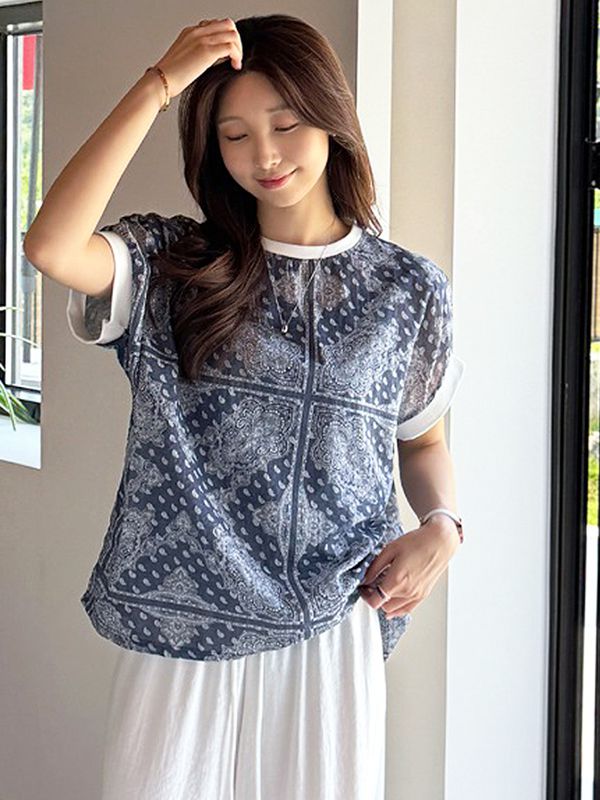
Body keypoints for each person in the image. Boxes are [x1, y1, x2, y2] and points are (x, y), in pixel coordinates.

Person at [24, 13, 466, 800]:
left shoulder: (407, 290)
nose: (264, 155)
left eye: (286, 125)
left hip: (331, 631)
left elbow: (421, 443)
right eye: (234, 135)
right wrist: (159, 84)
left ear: (331, 117)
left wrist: (442, 527)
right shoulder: (174, 266)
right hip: (180, 630)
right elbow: (51, 246)